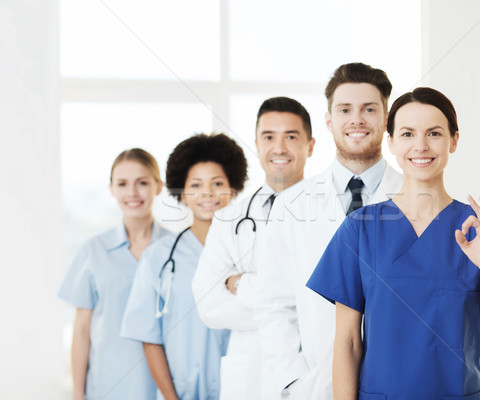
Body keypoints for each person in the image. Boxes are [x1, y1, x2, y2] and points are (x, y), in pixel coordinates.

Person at [306, 87, 480, 399]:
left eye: (434, 133)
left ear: (454, 140)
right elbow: (347, 342)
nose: (421, 146)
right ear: (392, 143)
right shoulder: (360, 229)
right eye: (408, 134)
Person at [253, 63, 404, 399]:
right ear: (329, 120)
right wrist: (294, 380)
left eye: (369, 109)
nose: (357, 120)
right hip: (316, 386)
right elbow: (273, 304)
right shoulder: (292, 204)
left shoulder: (416, 197)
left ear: (387, 118)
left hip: (401, 383)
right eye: (345, 110)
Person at [191, 97, 315, 400]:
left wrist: (242, 284)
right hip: (248, 378)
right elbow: (209, 305)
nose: (279, 147)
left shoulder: (331, 214)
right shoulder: (229, 218)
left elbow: (328, 303)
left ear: (310, 146)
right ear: (257, 144)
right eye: (269, 137)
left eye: (291, 137)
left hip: (310, 372)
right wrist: (295, 308)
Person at [120, 133, 248, 400]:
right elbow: (150, 337)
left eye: (217, 183)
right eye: (196, 185)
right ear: (183, 193)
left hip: (244, 388)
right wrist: (171, 397)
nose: (207, 194)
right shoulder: (158, 257)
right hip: (182, 393)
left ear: (233, 189)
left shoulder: (250, 252)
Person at [58, 148, 168, 400]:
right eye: (122, 184)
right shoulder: (92, 251)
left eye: (142, 183)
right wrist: (78, 394)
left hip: (164, 390)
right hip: (106, 388)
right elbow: (82, 330)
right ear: (112, 189)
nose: (132, 193)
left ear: (158, 186)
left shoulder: (176, 249)